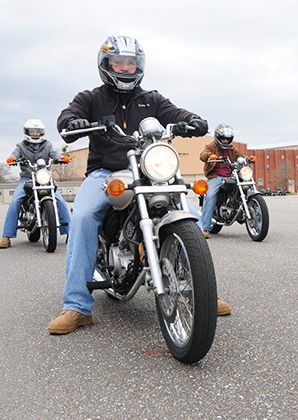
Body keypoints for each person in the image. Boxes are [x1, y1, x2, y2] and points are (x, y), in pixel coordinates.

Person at [49, 35, 230, 335]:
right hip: (106, 173)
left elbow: (175, 114)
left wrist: (192, 119)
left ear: (139, 67)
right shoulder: (91, 98)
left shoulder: (152, 99)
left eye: (131, 63)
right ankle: (77, 306)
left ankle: (201, 290)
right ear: (106, 65)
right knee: (81, 218)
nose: (124, 68)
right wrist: (73, 122)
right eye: (118, 62)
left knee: (191, 218)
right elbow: (67, 116)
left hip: (149, 170)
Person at [0, 119, 71, 249]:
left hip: (45, 178)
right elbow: (14, 154)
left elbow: (54, 154)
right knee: (15, 202)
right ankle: (6, 237)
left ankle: (70, 233)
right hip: (27, 179)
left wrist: (61, 158)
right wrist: (12, 159)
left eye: (38, 131)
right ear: (27, 132)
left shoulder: (47, 145)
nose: (35, 134)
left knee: (60, 201)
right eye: (32, 131)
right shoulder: (21, 146)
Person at [199, 124, 246, 239]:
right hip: (216, 176)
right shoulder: (211, 146)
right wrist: (210, 156)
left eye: (227, 139)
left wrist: (245, 159)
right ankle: (204, 228)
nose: (225, 141)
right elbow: (203, 155)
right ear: (218, 137)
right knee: (210, 196)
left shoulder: (231, 148)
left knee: (245, 186)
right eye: (223, 138)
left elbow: (239, 155)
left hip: (231, 175)